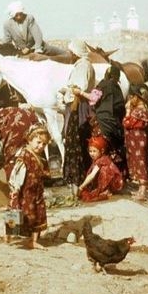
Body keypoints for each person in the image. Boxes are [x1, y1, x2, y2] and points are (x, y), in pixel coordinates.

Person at [73, 65, 127, 175]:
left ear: (106, 74)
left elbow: (93, 99)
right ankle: (117, 176)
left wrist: (80, 92)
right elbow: (121, 110)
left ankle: (100, 176)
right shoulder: (117, 89)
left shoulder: (103, 85)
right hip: (114, 126)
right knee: (113, 151)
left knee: (100, 151)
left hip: (102, 124)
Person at [59, 39, 95, 198]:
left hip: (77, 107)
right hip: (76, 105)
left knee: (76, 141)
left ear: (76, 53)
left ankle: (80, 184)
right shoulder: (82, 65)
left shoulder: (83, 66)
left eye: (71, 52)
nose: (70, 55)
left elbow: (78, 91)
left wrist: (72, 110)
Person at [8, 125, 51, 249]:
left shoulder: (41, 157)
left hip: (37, 191)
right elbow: (18, 173)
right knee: (22, 213)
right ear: (29, 140)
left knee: (38, 215)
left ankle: (34, 240)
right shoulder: (24, 155)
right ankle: (10, 235)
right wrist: (16, 189)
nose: (41, 146)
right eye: (38, 142)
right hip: (25, 192)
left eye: (44, 144)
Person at [123, 83, 148, 201]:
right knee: (139, 163)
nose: (129, 99)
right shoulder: (139, 109)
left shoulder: (139, 111)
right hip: (136, 144)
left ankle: (142, 192)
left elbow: (127, 123)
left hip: (139, 144)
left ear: (137, 97)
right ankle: (140, 190)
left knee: (141, 163)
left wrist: (127, 110)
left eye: (131, 96)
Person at [78, 136, 123, 202]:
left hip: (115, 183)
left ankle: (107, 190)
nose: (92, 154)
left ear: (102, 151)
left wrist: (81, 187)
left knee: (104, 170)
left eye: (94, 151)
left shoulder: (102, 160)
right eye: (90, 151)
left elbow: (92, 175)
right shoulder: (97, 159)